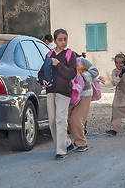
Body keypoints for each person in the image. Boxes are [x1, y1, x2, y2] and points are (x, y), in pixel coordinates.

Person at [38, 29, 77, 160]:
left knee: (61, 119)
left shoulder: (70, 55)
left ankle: (61, 151)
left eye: (65, 39)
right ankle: (67, 142)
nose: (63, 42)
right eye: (60, 40)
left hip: (64, 91)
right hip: (50, 91)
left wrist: (59, 64)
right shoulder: (49, 54)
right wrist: (42, 80)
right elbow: (41, 72)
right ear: (55, 41)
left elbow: (72, 74)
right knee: (52, 122)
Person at [67, 53, 99, 152]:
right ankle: (71, 139)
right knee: (65, 119)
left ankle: (81, 143)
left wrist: (81, 76)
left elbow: (95, 71)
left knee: (76, 119)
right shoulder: (63, 63)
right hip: (70, 95)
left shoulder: (81, 61)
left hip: (84, 94)